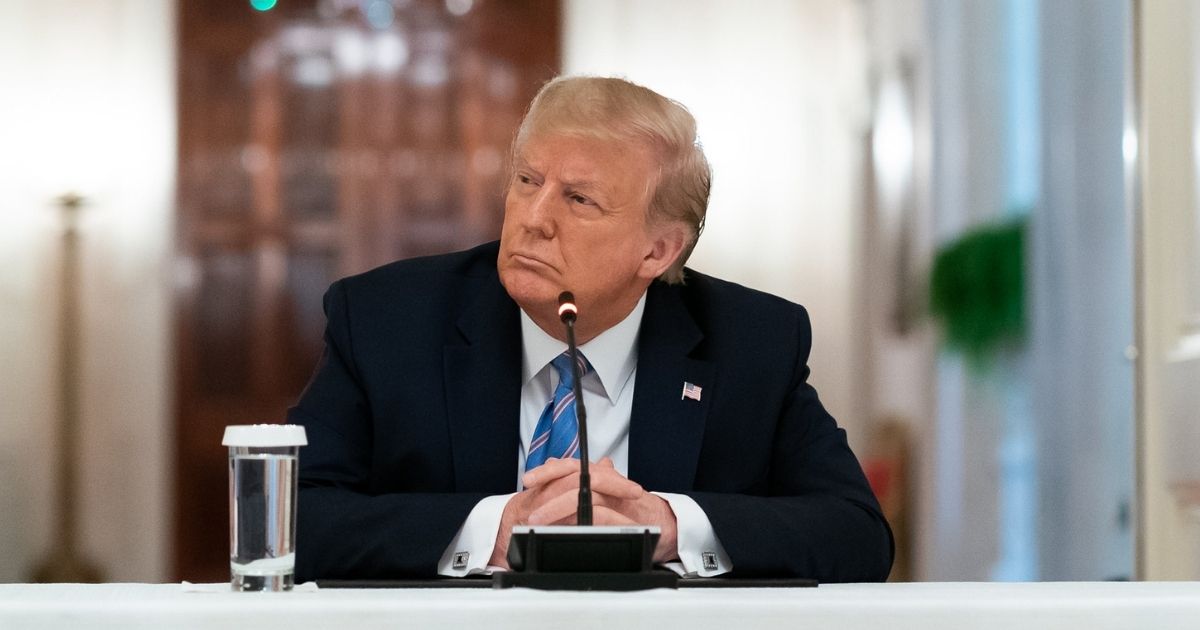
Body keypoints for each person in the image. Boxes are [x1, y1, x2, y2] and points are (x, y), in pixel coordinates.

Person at [289, 76, 893, 582]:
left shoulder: (752, 342)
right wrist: (490, 531)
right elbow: (290, 518)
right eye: (527, 181)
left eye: (579, 200)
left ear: (658, 251)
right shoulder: (387, 321)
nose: (534, 218)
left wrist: (667, 527)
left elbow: (858, 535)